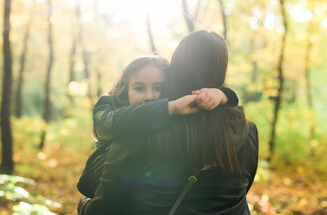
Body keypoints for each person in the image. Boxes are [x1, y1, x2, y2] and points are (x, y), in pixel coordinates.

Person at [80, 30, 258, 214]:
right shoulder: (247, 131)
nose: (149, 96)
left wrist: (83, 204)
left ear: (175, 70)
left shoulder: (140, 132)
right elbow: (242, 191)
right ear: (222, 69)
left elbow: (104, 210)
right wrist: (225, 94)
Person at [77, 55, 239, 201]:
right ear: (125, 88)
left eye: (158, 88)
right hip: (104, 193)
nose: (149, 96)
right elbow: (109, 123)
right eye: (139, 88)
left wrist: (222, 94)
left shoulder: (170, 107)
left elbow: (202, 105)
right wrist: (169, 108)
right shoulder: (108, 103)